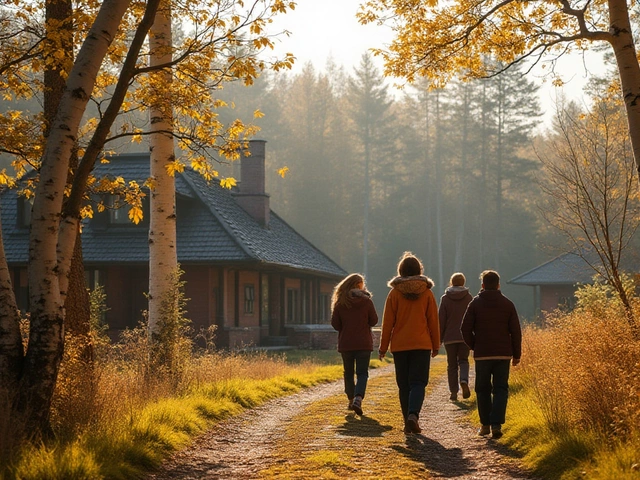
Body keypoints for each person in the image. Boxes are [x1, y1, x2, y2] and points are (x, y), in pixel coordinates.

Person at [378, 252, 440, 434]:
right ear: (419, 270)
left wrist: (382, 347)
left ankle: (407, 422)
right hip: (421, 344)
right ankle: (413, 415)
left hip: (400, 346)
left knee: (404, 385)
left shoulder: (394, 294)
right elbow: (433, 321)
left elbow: (387, 323)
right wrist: (436, 344)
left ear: (401, 270)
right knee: (418, 383)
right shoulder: (427, 293)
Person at [461, 270, 522, 439]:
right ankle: (496, 424)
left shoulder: (475, 304)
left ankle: (485, 425)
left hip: (483, 354)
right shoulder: (508, 304)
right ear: (498, 285)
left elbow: (464, 329)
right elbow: (516, 331)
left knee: (482, 389)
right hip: (503, 355)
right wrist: (517, 354)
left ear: (482, 285)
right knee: (501, 389)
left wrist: (475, 345)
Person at [331, 273, 379, 416]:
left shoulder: (340, 302)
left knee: (348, 373)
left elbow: (335, 325)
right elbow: (374, 321)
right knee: (362, 373)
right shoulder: (366, 301)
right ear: (358, 284)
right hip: (364, 343)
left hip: (346, 343)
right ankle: (359, 397)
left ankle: (351, 399)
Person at [439, 272, 473, 401]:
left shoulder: (445, 298)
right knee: (463, 361)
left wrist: (439, 338)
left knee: (451, 365)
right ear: (463, 282)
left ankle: (453, 392)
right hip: (464, 336)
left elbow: (441, 320)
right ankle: (463, 380)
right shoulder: (469, 297)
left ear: (451, 282)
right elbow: (472, 318)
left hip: (450, 337)